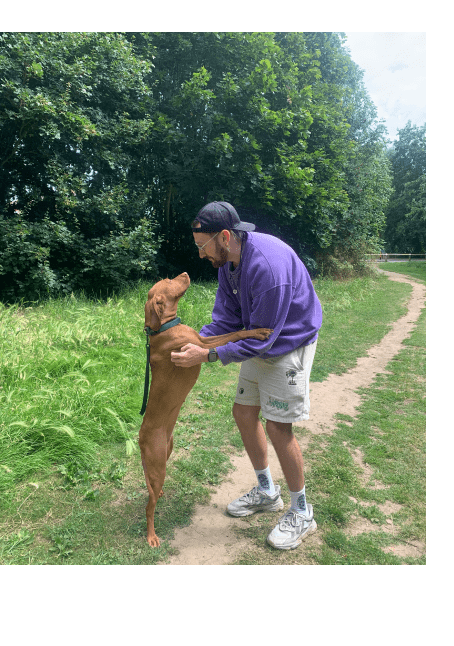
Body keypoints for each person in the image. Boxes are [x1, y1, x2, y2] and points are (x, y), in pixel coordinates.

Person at [170, 201, 322, 550]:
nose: (199, 255)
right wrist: (194, 341)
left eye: (202, 247)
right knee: (243, 411)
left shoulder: (267, 268)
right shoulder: (228, 263)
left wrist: (207, 355)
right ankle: (268, 491)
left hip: (287, 341)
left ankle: (302, 512)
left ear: (224, 237)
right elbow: (225, 318)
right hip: (260, 339)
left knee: (278, 427)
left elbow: (267, 336)